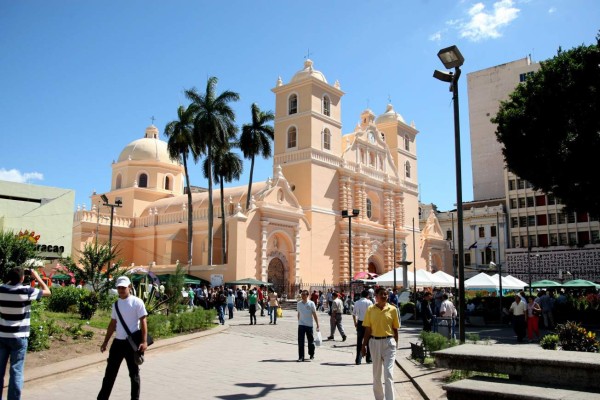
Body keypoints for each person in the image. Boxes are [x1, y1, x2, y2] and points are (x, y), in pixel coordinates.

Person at [0, 267, 51, 399]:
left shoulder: (1, 289)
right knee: (16, 371)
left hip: (3, 335)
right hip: (19, 337)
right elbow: (48, 291)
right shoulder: (26, 291)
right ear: (22, 278)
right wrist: (37, 277)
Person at [97, 276, 148, 400]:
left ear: (129, 287)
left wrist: (144, 341)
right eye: (119, 287)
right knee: (109, 374)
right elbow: (112, 324)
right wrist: (105, 342)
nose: (121, 290)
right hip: (117, 343)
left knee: (134, 374)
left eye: (123, 287)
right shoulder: (116, 304)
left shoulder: (137, 302)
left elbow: (143, 321)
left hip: (131, 344)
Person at [361, 287, 400, 400]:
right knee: (377, 375)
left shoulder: (392, 309)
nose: (384, 296)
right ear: (376, 297)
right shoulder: (370, 309)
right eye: (381, 294)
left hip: (389, 342)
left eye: (386, 294)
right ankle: (379, 398)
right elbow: (367, 330)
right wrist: (363, 346)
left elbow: (395, 329)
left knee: (388, 374)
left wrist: (396, 344)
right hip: (375, 343)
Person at [297, 290, 320, 362]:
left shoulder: (311, 303)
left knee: (310, 341)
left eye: (304, 295)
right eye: (302, 295)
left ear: (307, 295)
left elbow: (314, 314)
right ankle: (301, 356)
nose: (302, 296)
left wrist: (317, 324)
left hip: (309, 325)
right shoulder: (299, 304)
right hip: (301, 325)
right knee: (300, 341)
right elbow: (298, 313)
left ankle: (311, 353)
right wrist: (299, 321)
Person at [352, 289, 373, 365]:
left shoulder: (356, 303)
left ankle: (358, 359)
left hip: (360, 322)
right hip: (368, 323)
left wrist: (355, 323)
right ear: (367, 295)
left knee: (359, 341)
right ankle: (369, 358)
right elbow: (372, 313)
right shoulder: (369, 302)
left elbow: (353, 314)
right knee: (368, 341)